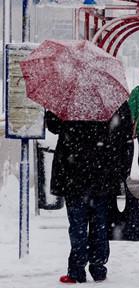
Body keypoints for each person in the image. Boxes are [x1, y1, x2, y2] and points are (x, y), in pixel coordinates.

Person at [47, 101, 133, 284]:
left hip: (73, 171)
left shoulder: (69, 94)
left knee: (77, 225)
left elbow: (53, 126)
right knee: (100, 223)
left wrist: (55, 111)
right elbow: (125, 135)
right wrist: (122, 170)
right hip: (102, 172)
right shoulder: (112, 97)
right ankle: (98, 267)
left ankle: (77, 270)